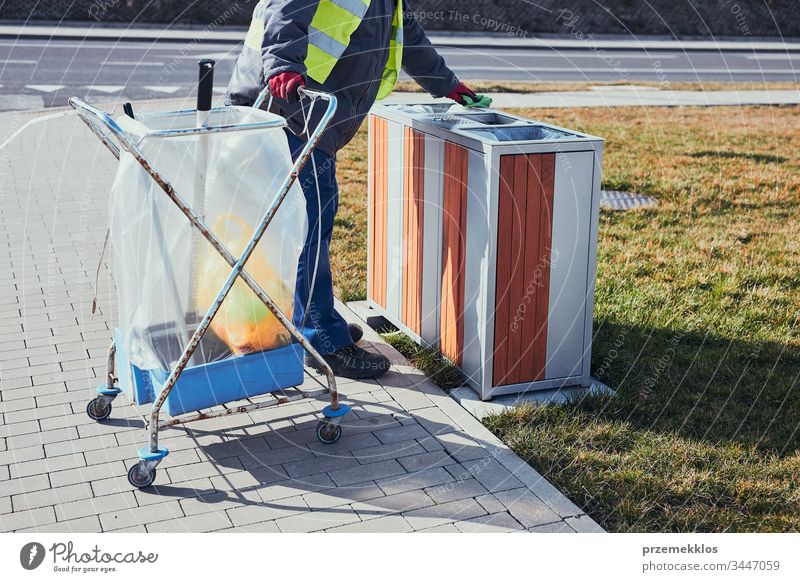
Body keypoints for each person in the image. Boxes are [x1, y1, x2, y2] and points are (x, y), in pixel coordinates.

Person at [226, 0, 485, 379]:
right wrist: (282, 65)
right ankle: (323, 342)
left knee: (304, 226)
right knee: (309, 230)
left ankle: (313, 322)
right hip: (289, 111)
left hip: (310, 113)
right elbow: (287, 8)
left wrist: (448, 85)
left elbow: (408, 37)